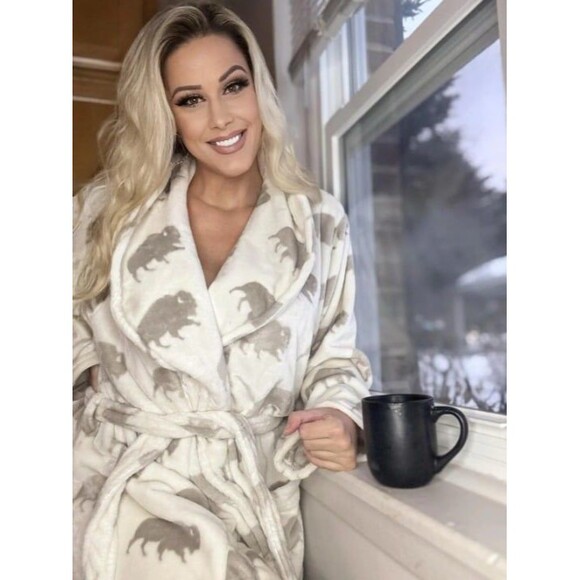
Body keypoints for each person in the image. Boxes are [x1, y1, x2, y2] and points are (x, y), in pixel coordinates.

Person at [73, 2, 372, 578]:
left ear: (258, 88)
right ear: (166, 115)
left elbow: (334, 352)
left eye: (233, 86)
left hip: (247, 492)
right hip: (112, 482)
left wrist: (341, 414)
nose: (220, 118)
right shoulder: (107, 212)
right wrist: (94, 370)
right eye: (191, 99)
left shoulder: (318, 221)